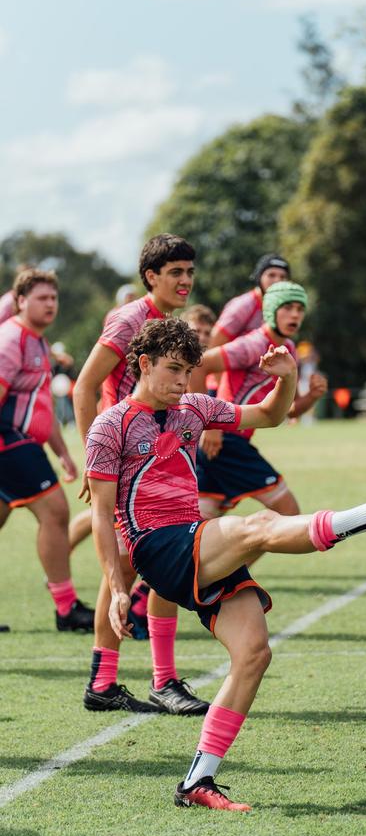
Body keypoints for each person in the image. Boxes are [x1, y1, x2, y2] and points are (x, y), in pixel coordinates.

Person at [85, 317, 366, 810]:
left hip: (193, 540)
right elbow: (100, 515)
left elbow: (268, 415)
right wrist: (118, 589)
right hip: (155, 547)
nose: (183, 383)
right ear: (143, 364)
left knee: (253, 653)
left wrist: (286, 378)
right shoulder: (109, 425)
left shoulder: (194, 408)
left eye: (189, 373)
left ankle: (197, 782)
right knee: (258, 526)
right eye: (174, 371)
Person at [74, 233, 209, 715]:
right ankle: (140, 680)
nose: (186, 281)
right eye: (176, 272)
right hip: (128, 461)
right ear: (150, 276)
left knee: (147, 566)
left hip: (158, 457)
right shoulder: (131, 319)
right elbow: (85, 386)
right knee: (134, 568)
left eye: (190, 272)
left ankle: (117, 681)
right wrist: (97, 464)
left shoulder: (167, 322)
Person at [0, 268, 94, 631]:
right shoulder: (11, 338)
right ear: (20, 301)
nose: (50, 304)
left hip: (22, 442)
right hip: (9, 441)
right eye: (41, 298)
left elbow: (42, 407)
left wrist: (63, 452)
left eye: (53, 298)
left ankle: (66, 606)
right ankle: (67, 608)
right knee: (55, 512)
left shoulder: (37, 340)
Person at [192, 282, 328, 518]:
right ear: (271, 310)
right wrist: (210, 425)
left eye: (299, 308)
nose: (295, 314)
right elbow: (198, 366)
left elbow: (288, 410)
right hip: (226, 440)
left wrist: (311, 397)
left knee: (202, 534)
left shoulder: (289, 349)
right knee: (289, 514)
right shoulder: (253, 344)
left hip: (226, 444)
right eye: (287, 307)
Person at [208, 253, 290, 348]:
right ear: (259, 277)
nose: (277, 281)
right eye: (271, 275)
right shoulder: (243, 305)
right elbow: (213, 345)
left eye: (283, 277)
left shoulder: (286, 309)